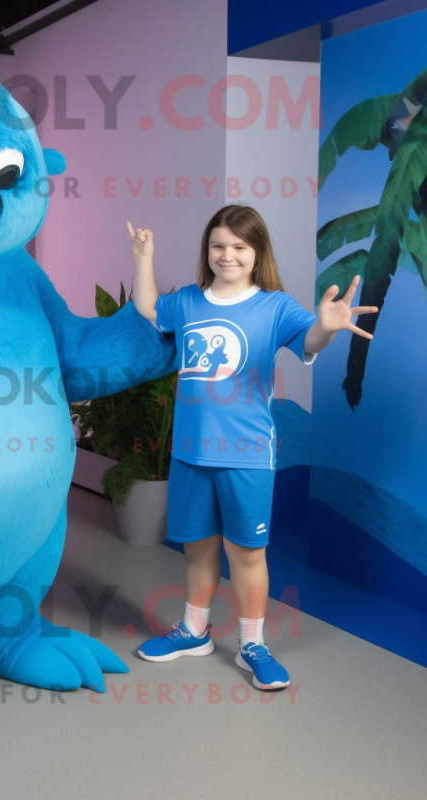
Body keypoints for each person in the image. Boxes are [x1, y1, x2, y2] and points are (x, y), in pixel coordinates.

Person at [128, 205, 377, 689]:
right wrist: (143, 257)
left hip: (246, 455)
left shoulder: (275, 307)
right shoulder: (188, 301)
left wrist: (327, 326)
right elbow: (148, 307)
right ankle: (194, 631)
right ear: (207, 250)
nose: (228, 255)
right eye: (218, 245)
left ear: (257, 252)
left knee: (246, 553)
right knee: (197, 548)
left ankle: (252, 645)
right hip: (190, 454)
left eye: (239, 246)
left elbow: (311, 338)